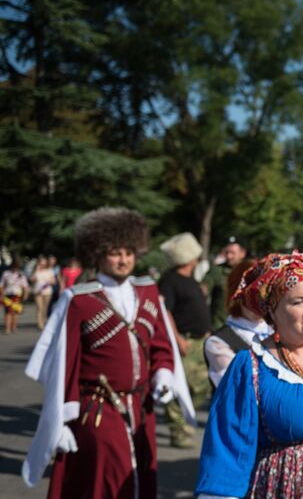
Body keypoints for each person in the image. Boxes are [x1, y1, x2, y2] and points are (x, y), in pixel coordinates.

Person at [22, 207, 193, 498]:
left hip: (142, 406)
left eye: (129, 251)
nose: (124, 259)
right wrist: (62, 419)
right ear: (97, 253)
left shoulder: (148, 291)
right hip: (99, 409)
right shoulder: (79, 300)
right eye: (115, 252)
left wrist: (163, 373)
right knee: (107, 480)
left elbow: (161, 345)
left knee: (141, 474)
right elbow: (65, 364)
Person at [195, 252, 303, 498]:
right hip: (285, 487)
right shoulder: (252, 367)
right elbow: (229, 448)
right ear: (273, 313)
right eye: (298, 302)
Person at [158, 232, 211, 448]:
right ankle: (178, 429)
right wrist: (177, 339)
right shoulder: (170, 280)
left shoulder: (190, 279)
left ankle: (182, 423)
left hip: (200, 341)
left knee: (202, 386)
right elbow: (165, 310)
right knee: (180, 386)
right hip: (184, 341)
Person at [204, 259, 272, 388]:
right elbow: (241, 389)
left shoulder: (281, 331)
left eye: (266, 293)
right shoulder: (218, 342)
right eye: (251, 295)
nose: (258, 303)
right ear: (236, 295)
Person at [203, 235, 248, 331]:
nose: (228, 256)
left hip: (244, 328)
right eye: (227, 252)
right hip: (220, 328)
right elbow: (204, 288)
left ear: (242, 253)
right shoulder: (217, 270)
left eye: (232, 253)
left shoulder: (250, 272)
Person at [1, 256, 29, 334]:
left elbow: (25, 286)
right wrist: (2, 294)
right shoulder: (6, 274)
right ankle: (7, 328)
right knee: (8, 312)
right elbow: (2, 285)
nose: (15, 269)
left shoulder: (21, 274)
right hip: (8, 294)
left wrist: (25, 294)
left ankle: (14, 327)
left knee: (15, 311)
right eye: (14, 267)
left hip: (17, 295)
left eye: (17, 267)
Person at [30, 255, 55, 329]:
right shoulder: (36, 271)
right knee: (39, 307)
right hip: (37, 291)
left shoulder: (49, 271)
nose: (42, 265)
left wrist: (48, 282)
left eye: (44, 263)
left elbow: (54, 282)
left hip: (47, 291)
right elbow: (32, 280)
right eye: (41, 263)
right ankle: (39, 323)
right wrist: (36, 270)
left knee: (45, 307)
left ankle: (44, 321)